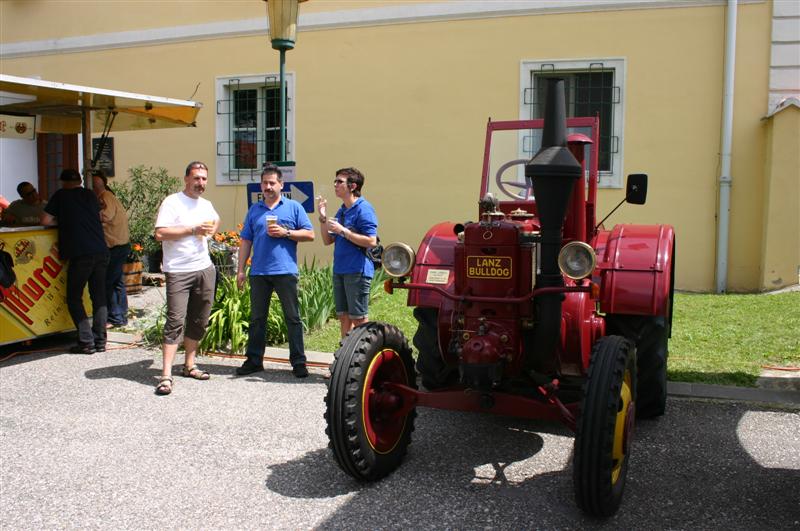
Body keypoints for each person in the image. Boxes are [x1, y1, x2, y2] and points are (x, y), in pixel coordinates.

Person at [236, 164, 314, 378]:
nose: (268, 187)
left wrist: (286, 232)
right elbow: (246, 241)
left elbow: (310, 234)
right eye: (265, 183)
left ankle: (298, 362)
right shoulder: (255, 210)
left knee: (293, 318)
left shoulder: (294, 208)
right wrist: (240, 269)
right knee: (257, 319)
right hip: (259, 272)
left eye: (272, 183)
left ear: (281, 184)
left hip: (285, 271)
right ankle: (254, 360)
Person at [153, 161, 219, 396]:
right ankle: (165, 375)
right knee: (175, 320)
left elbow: (215, 220)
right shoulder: (172, 202)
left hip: (204, 268)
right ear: (186, 179)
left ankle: (189, 365)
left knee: (199, 319)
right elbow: (160, 233)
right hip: (179, 270)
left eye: (203, 179)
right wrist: (192, 230)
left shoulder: (206, 204)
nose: (200, 183)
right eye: (196, 178)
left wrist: (211, 229)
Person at [41, 169, 109, 354]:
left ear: (62, 181)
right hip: (101, 250)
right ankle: (101, 341)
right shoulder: (89, 194)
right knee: (99, 298)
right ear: (80, 180)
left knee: (74, 297)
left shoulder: (61, 196)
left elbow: (45, 220)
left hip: (80, 253)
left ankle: (86, 342)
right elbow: (100, 216)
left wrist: (63, 221)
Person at [316, 167, 378, 338]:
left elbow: (372, 241)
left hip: (357, 270)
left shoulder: (364, 209)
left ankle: (362, 357)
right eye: (335, 181)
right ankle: (345, 358)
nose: (335, 184)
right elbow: (328, 240)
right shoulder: (342, 210)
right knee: (343, 317)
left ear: (352, 186)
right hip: (340, 270)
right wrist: (323, 218)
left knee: (358, 318)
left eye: (339, 182)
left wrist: (344, 231)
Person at [91, 170, 131, 328]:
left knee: (108, 282)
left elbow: (106, 217)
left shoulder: (105, 197)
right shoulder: (107, 196)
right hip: (120, 244)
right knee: (117, 282)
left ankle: (115, 317)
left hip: (115, 246)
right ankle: (121, 316)